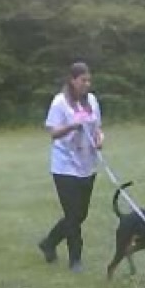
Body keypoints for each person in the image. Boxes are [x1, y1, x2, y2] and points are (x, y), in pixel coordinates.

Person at [38, 61, 104, 272]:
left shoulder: (92, 101)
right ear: (72, 80)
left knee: (80, 214)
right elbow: (54, 133)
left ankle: (48, 242)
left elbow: (98, 128)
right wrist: (72, 126)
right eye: (83, 80)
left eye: (89, 80)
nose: (87, 84)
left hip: (87, 165)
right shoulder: (59, 103)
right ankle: (75, 259)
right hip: (65, 167)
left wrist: (100, 138)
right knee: (73, 214)